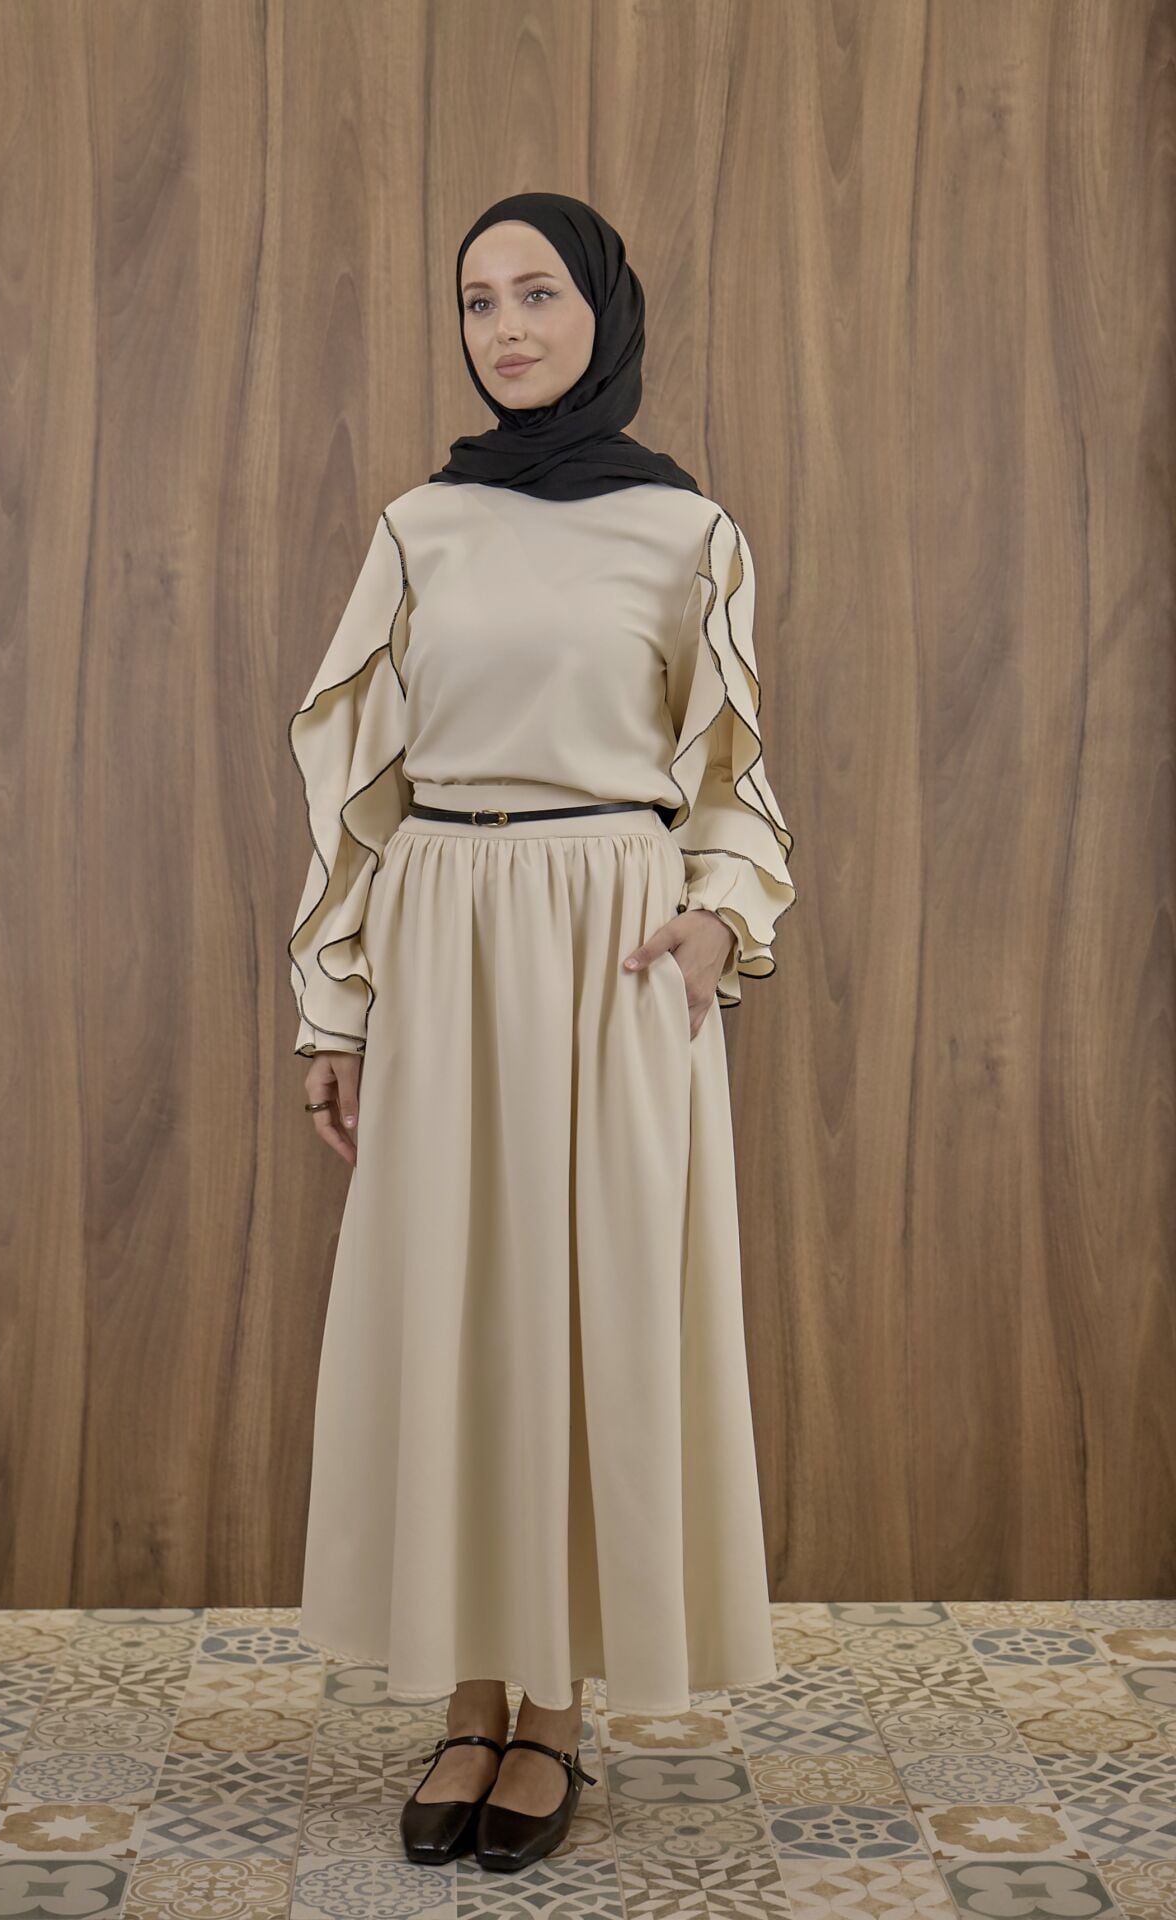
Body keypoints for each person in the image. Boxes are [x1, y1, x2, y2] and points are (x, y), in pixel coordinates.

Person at [287, 190, 796, 1875]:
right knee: (457, 1308)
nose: (505, 328)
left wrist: (720, 921)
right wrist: (333, 1003)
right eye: (477, 301)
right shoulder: (419, 527)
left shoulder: (689, 532)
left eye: (538, 294)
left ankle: (557, 1713)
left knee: (593, 1316)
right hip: (443, 930)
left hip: (615, 950)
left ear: (604, 313)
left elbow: (735, 782)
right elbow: (352, 792)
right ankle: (467, 1696)